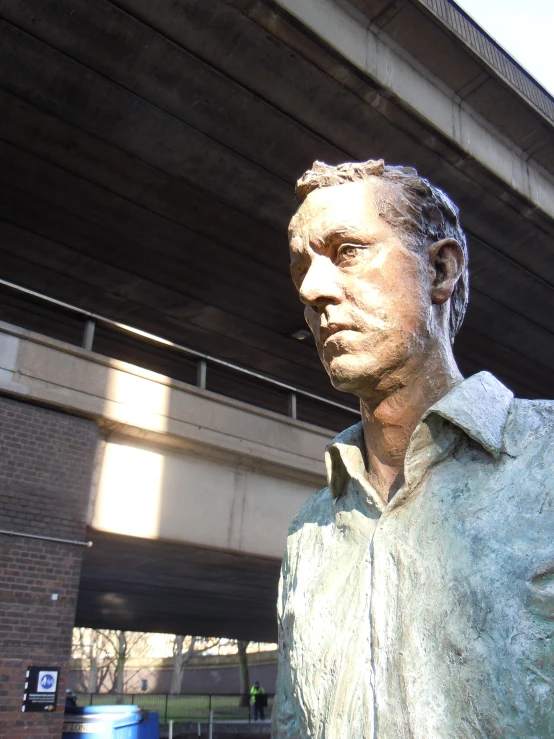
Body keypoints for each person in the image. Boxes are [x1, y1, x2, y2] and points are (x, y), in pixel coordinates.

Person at [272, 159, 554, 738]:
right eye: (302, 265)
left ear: (440, 270)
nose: (312, 288)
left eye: (347, 251)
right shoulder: (309, 535)